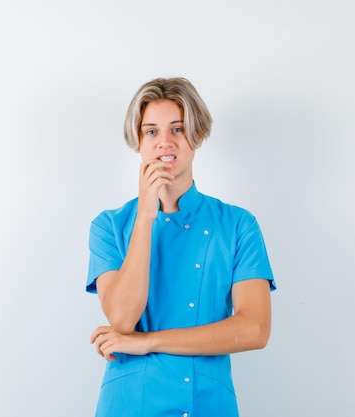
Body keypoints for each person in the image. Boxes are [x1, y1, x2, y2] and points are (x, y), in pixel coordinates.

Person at [86, 77, 276, 417]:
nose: (164, 143)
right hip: (129, 405)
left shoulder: (237, 225)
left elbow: (255, 329)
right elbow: (123, 318)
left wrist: (148, 342)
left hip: (206, 404)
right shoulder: (109, 226)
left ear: (198, 135)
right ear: (138, 142)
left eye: (177, 129)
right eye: (151, 131)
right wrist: (145, 216)